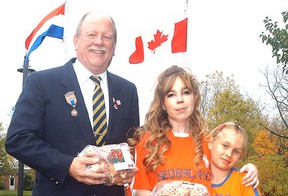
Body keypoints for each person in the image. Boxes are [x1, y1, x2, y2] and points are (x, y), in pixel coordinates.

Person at [5, 11, 140, 196]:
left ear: (114, 47)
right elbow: (18, 139)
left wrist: (122, 168)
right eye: (91, 34)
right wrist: (67, 165)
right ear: (76, 41)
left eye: (107, 37)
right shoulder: (41, 83)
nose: (99, 42)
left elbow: (125, 145)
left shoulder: (127, 91)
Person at [128, 65, 259, 196]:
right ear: (162, 103)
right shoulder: (148, 142)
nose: (180, 100)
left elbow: (226, 173)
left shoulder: (208, 142)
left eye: (186, 92)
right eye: (171, 95)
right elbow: (139, 189)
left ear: (194, 97)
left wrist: (249, 170)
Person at [209, 122, 262, 196]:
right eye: (225, 145)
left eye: (236, 151)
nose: (229, 154)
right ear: (211, 143)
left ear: (240, 156)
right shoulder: (194, 174)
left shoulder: (245, 181)